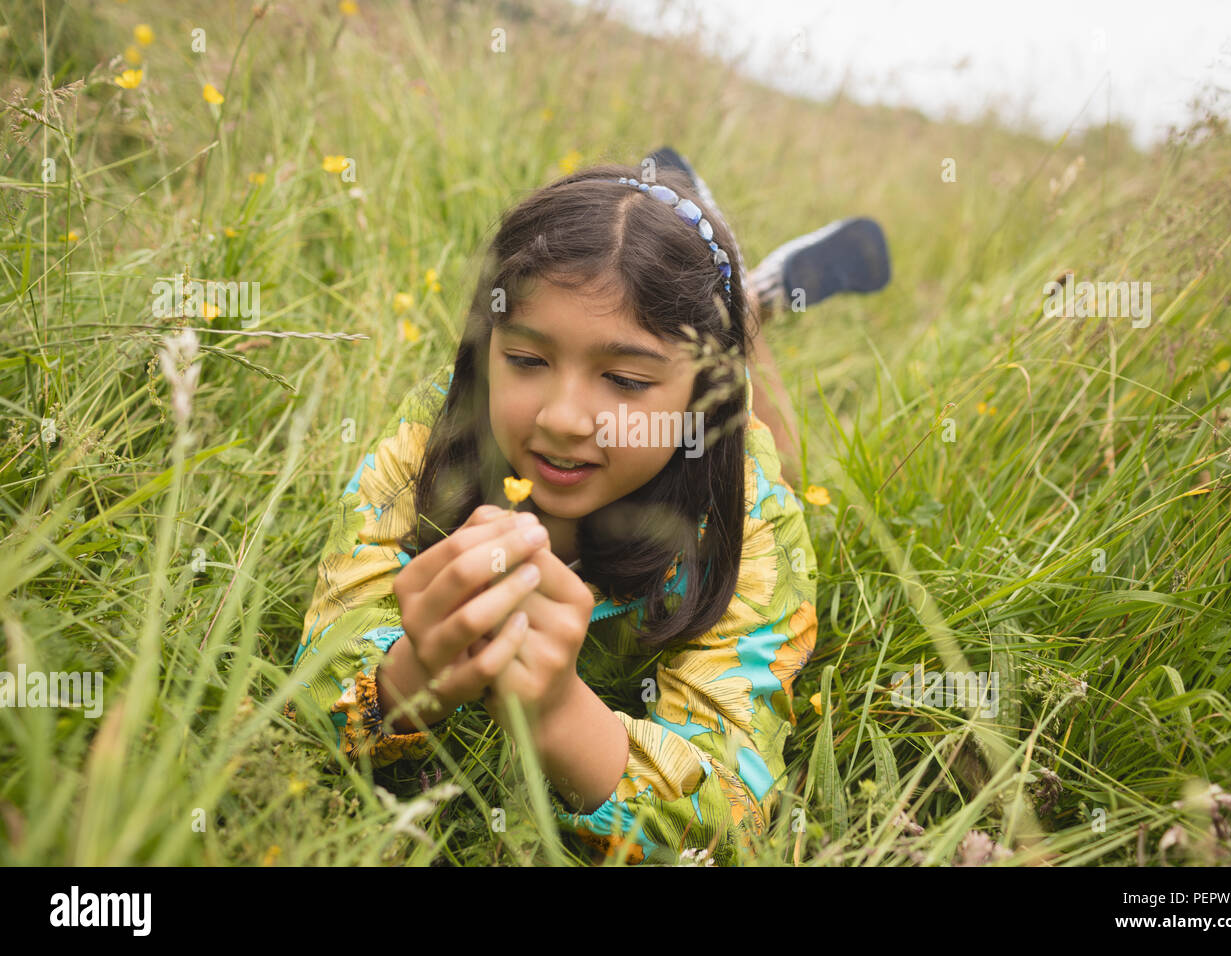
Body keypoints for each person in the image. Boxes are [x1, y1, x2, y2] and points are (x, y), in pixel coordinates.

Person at [287, 152, 882, 865]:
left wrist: (559, 712)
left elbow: (732, 821)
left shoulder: (749, 521)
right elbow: (313, 681)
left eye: (626, 380)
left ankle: (750, 305)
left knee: (771, 435)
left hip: (712, 442)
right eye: (528, 361)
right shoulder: (431, 445)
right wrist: (413, 674)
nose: (565, 420)